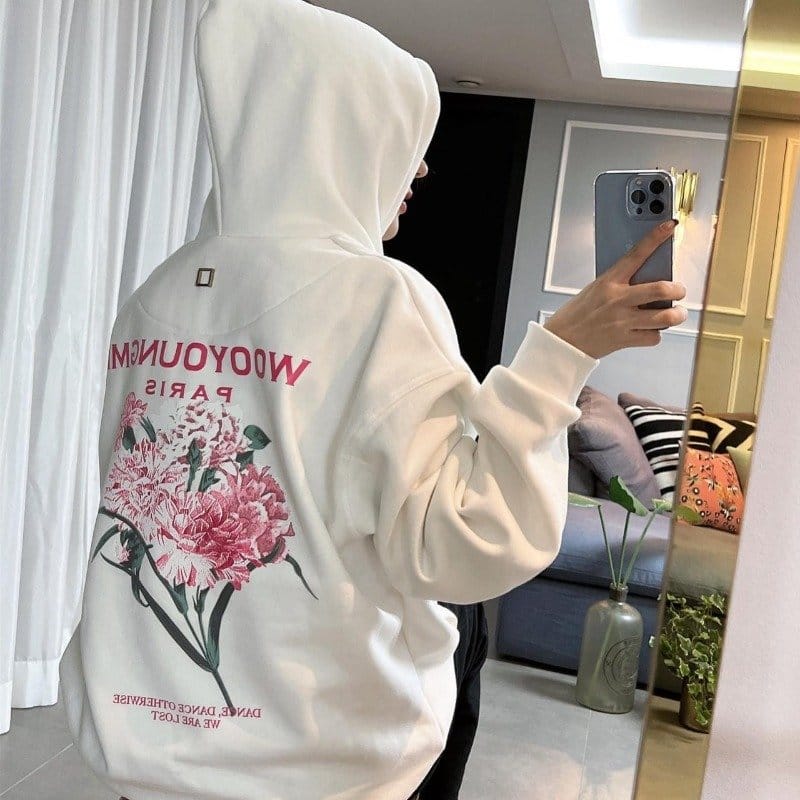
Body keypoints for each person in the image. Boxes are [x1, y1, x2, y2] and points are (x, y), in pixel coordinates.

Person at [60, 2, 687, 799]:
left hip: (142, 747)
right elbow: (469, 542)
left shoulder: (158, 291)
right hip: (311, 761)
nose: (419, 172)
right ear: (337, 130)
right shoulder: (379, 298)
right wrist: (561, 355)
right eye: (403, 137)